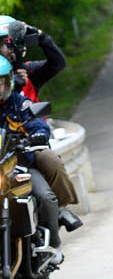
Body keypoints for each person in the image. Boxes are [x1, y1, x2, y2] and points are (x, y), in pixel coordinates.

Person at [0, 16, 84, 231]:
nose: (11, 49)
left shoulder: (27, 71)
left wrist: (41, 37)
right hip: (3, 149)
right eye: (5, 44)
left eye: (12, 43)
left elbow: (58, 63)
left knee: (49, 160)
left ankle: (61, 207)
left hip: (29, 141)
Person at [0, 56, 63, 263]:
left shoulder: (19, 103)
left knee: (45, 197)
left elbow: (37, 122)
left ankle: (52, 245)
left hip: (19, 167)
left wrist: (39, 134)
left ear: (7, 82)